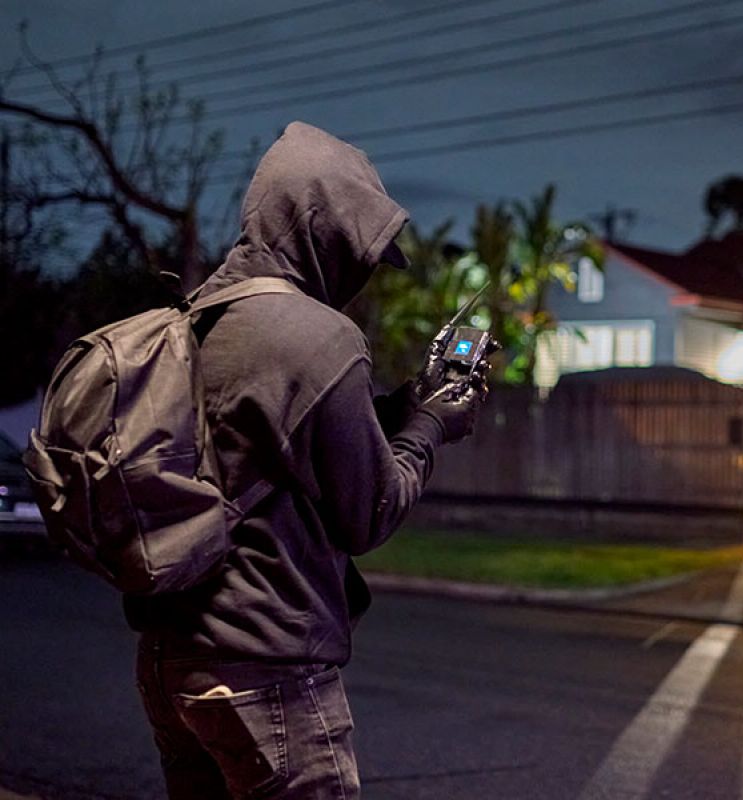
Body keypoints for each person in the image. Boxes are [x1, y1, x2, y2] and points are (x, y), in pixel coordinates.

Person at [125, 121, 486, 799]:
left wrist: (403, 405)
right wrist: (433, 425)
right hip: (264, 667)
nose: (362, 275)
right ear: (323, 234)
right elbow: (372, 511)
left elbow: (269, 448)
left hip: (170, 660)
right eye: (358, 252)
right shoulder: (319, 337)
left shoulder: (197, 314)